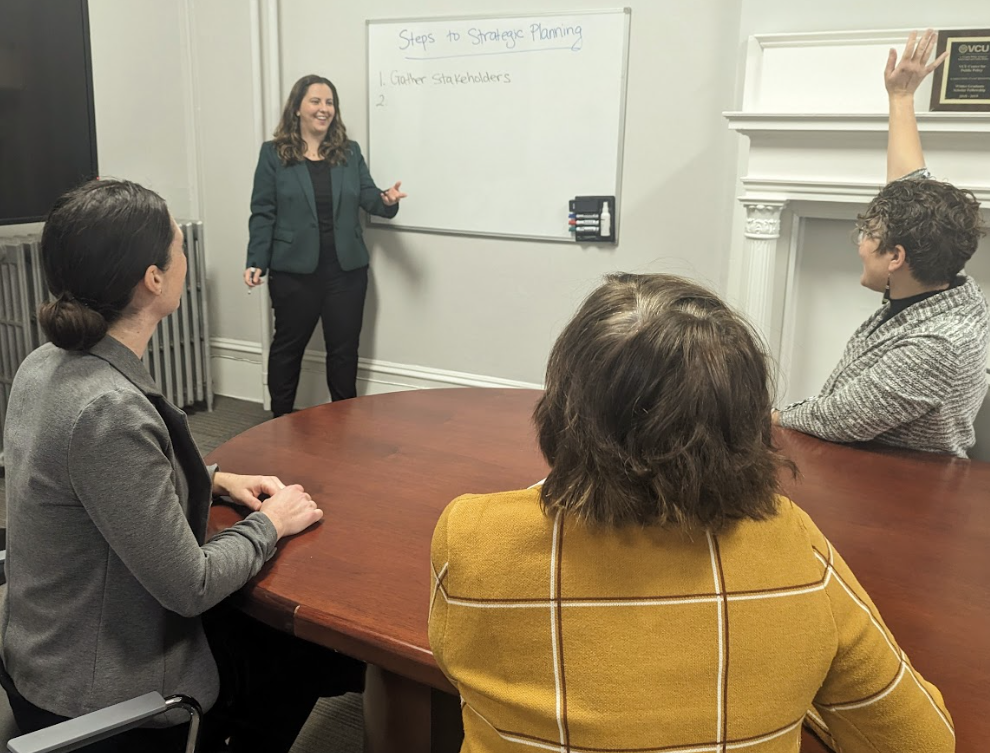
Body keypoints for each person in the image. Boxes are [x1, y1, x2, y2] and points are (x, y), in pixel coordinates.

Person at [429, 273, 954, 753]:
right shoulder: (794, 547)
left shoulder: (471, 537)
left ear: (565, 405)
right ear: (745, 417)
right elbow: (921, 742)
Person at [0, 179, 364, 753]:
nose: (184, 257)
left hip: (49, 654)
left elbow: (91, 480)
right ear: (153, 279)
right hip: (100, 699)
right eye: (177, 245)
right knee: (315, 653)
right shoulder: (109, 410)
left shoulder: (45, 364)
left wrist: (215, 479)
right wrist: (273, 522)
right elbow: (189, 586)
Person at [775, 30, 989, 456]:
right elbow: (910, 192)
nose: (859, 245)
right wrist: (901, 98)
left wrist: (760, 419)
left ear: (897, 257)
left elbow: (836, 418)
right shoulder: (943, 268)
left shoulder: (938, 344)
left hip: (902, 485)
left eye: (867, 236)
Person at [244, 74, 406, 417]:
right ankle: (280, 421)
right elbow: (263, 211)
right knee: (288, 349)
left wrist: (387, 201)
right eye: (316, 101)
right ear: (298, 108)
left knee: (344, 351)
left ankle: (342, 422)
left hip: (345, 273)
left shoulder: (349, 153)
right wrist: (256, 259)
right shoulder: (274, 154)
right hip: (293, 273)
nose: (324, 109)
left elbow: (368, 197)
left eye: (329, 102)